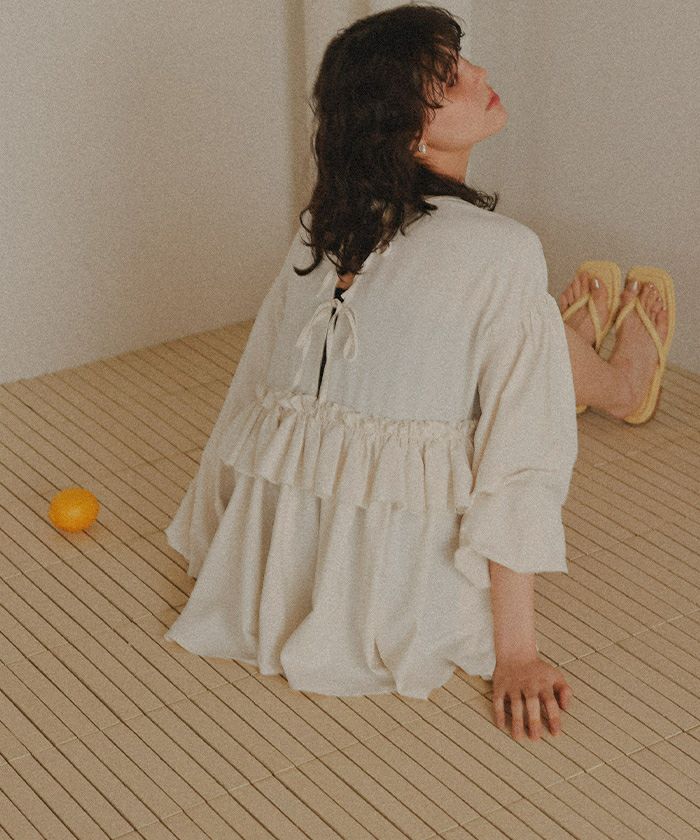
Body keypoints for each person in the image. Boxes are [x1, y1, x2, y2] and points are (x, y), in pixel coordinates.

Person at [162, 3, 668, 743]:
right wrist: (517, 653)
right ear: (412, 134)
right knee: (518, 329)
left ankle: (565, 344)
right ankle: (620, 387)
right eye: (451, 79)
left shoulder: (320, 226)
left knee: (510, 322)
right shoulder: (502, 248)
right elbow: (520, 453)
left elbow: (256, 389)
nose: (480, 74)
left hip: (289, 559)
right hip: (398, 582)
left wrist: (226, 540)